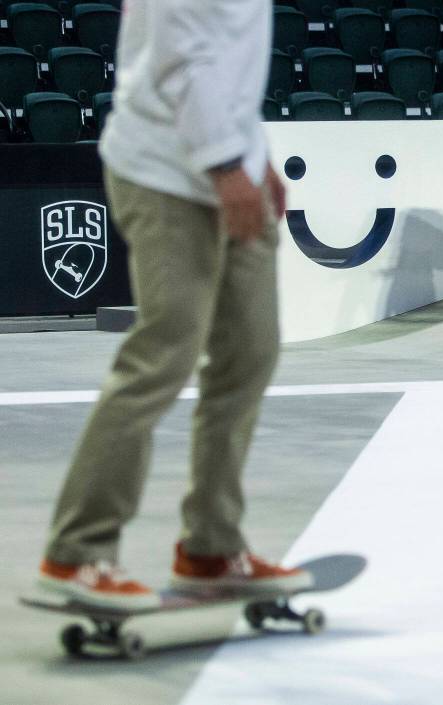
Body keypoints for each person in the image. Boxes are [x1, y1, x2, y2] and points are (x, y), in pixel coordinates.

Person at [35, 0, 311, 610]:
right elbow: (183, 62)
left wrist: (256, 157)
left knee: (251, 353)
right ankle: (76, 552)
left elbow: (229, 67)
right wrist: (225, 167)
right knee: (166, 351)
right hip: (163, 169)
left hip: (231, 160)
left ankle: (213, 547)